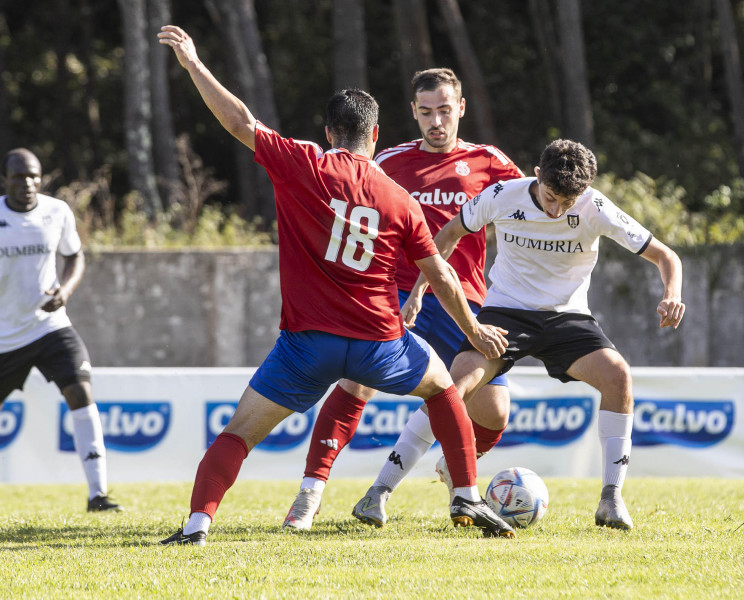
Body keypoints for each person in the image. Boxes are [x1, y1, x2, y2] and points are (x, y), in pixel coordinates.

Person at [157, 26, 515, 545]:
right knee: (441, 389)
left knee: (238, 433)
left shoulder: (302, 164)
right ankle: (466, 497)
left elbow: (240, 121)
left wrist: (194, 65)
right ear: (376, 136)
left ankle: (197, 525)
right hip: (380, 344)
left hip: (306, 347)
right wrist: (475, 331)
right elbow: (439, 273)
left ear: (328, 132)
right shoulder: (398, 197)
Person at [365, 139, 686, 530]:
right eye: (551, 197)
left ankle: (610, 499)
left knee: (618, 376)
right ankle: (379, 491)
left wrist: (672, 294)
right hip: (506, 314)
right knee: (454, 387)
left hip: (567, 319)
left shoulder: (595, 206)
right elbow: (446, 236)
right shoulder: (502, 195)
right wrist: (418, 292)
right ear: (536, 176)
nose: (556, 210)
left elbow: (666, 256)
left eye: (567, 202)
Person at [281, 68, 524, 531]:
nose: (436, 121)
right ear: (413, 112)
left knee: (493, 415)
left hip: (463, 300)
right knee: (357, 385)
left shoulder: (490, 161)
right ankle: (311, 493)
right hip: (392, 296)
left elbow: (529, 206)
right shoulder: (388, 161)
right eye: (426, 112)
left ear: (461, 109)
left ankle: (454, 470)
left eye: (445, 111)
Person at [0, 148, 122, 513]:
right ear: (6, 179)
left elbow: (74, 255)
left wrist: (64, 292)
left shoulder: (57, 212)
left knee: (81, 392)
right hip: (5, 338)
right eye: (20, 176)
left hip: (50, 327)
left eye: (34, 176)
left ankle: (98, 495)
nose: (28, 183)